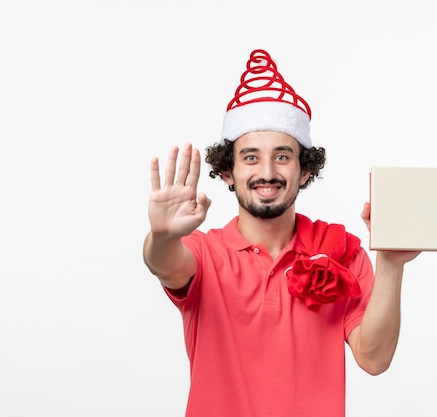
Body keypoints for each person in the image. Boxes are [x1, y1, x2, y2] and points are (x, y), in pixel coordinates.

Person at [143, 49, 420, 417]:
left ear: (304, 171)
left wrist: (390, 263)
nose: (268, 171)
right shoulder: (204, 253)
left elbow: (374, 358)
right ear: (228, 172)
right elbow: (164, 264)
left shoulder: (341, 251)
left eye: (283, 156)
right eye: (251, 157)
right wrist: (162, 236)